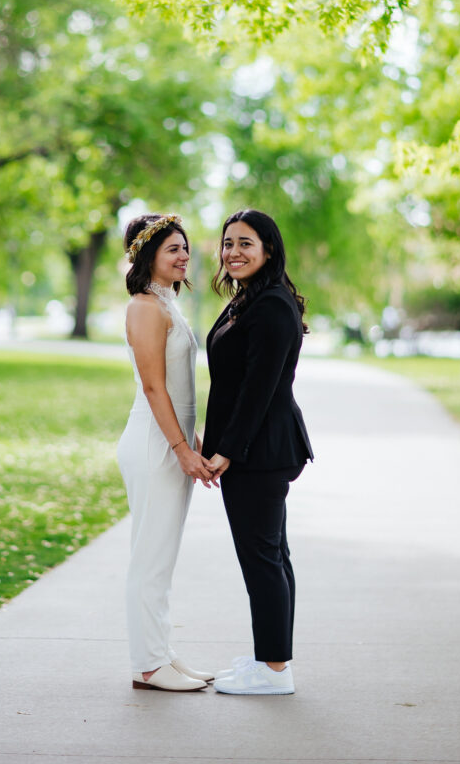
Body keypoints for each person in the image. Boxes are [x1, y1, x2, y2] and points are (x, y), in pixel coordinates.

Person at [202, 208, 314, 696]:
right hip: (259, 448)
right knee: (271, 556)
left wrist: (226, 449)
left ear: (268, 248)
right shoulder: (250, 299)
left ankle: (273, 670)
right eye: (228, 244)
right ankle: (271, 661)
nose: (234, 252)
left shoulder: (271, 305)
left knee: (263, 559)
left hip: (260, 451)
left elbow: (259, 388)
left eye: (246, 243)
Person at [117, 212, 215, 692]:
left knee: (162, 556)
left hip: (173, 439)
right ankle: (148, 665)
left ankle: (162, 655)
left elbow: (179, 388)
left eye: (184, 247)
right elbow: (154, 387)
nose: (184, 255)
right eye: (173, 248)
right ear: (147, 255)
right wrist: (179, 447)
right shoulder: (143, 307)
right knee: (149, 558)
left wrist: (192, 439)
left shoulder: (167, 303)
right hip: (154, 444)